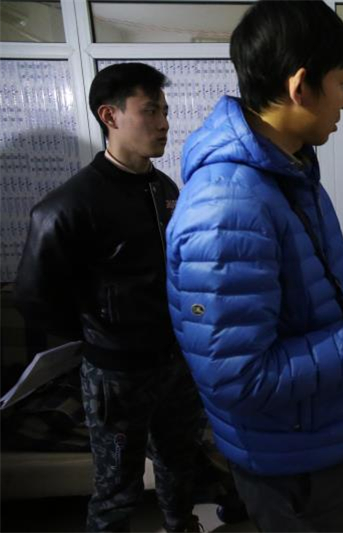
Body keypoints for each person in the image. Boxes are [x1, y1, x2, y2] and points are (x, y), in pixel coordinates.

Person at [164, 2, 343, 531]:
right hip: (286, 459)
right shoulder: (227, 206)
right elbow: (238, 378)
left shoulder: (291, 175)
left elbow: (342, 291)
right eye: (342, 82)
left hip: (314, 436)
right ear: (301, 87)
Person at [14, 62, 203, 532]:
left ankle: (182, 526)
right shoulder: (69, 205)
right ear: (110, 115)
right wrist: (99, 332)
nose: (164, 123)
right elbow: (35, 298)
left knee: (180, 464)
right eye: (150, 111)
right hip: (116, 376)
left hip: (174, 364)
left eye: (165, 111)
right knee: (117, 487)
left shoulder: (164, 188)